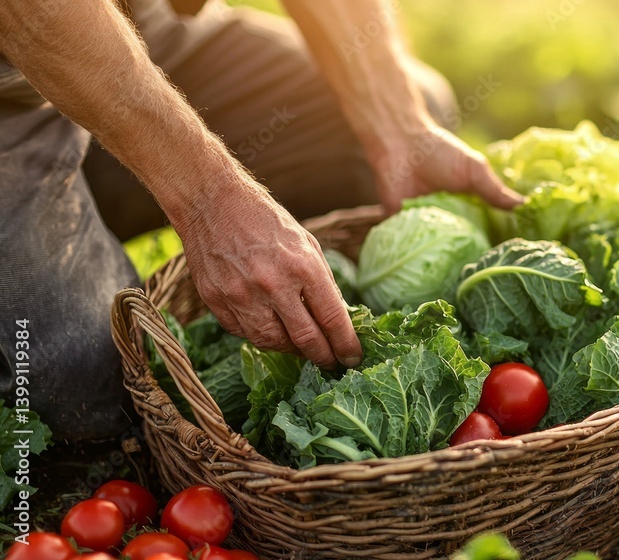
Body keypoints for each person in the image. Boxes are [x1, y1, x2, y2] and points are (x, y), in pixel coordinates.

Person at [0, 0, 521, 442]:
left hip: (125, 22)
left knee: (407, 103)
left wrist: (399, 124)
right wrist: (209, 200)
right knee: (88, 392)